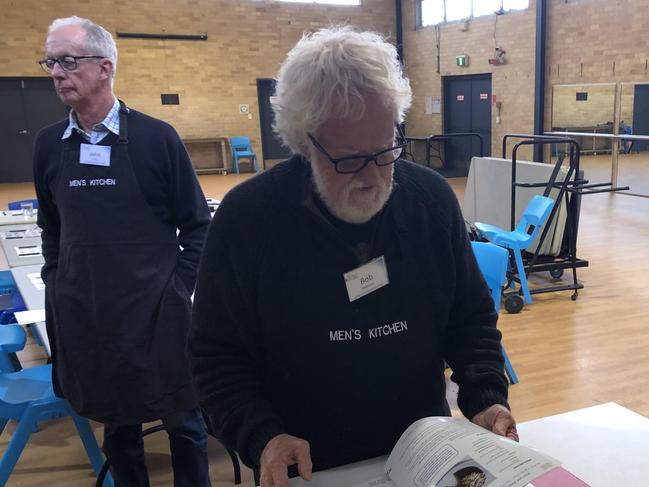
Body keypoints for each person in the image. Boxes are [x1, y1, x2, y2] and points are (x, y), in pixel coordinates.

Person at [189, 26, 517, 487]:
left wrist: (485, 395)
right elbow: (215, 358)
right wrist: (262, 436)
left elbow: (469, 317)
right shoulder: (248, 221)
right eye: (348, 159)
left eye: (386, 150)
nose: (374, 177)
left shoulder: (430, 202)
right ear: (304, 143)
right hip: (307, 467)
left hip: (422, 455)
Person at [34, 16, 212, 487]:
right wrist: (58, 278)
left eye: (68, 61)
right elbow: (50, 227)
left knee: (185, 425)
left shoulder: (157, 139)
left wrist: (176, 289)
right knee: (119, 430)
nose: (56, 72)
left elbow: (198, 225)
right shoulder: (50, 146)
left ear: (104, 67)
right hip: (90, 316)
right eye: (51, 61)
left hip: (158, 315)